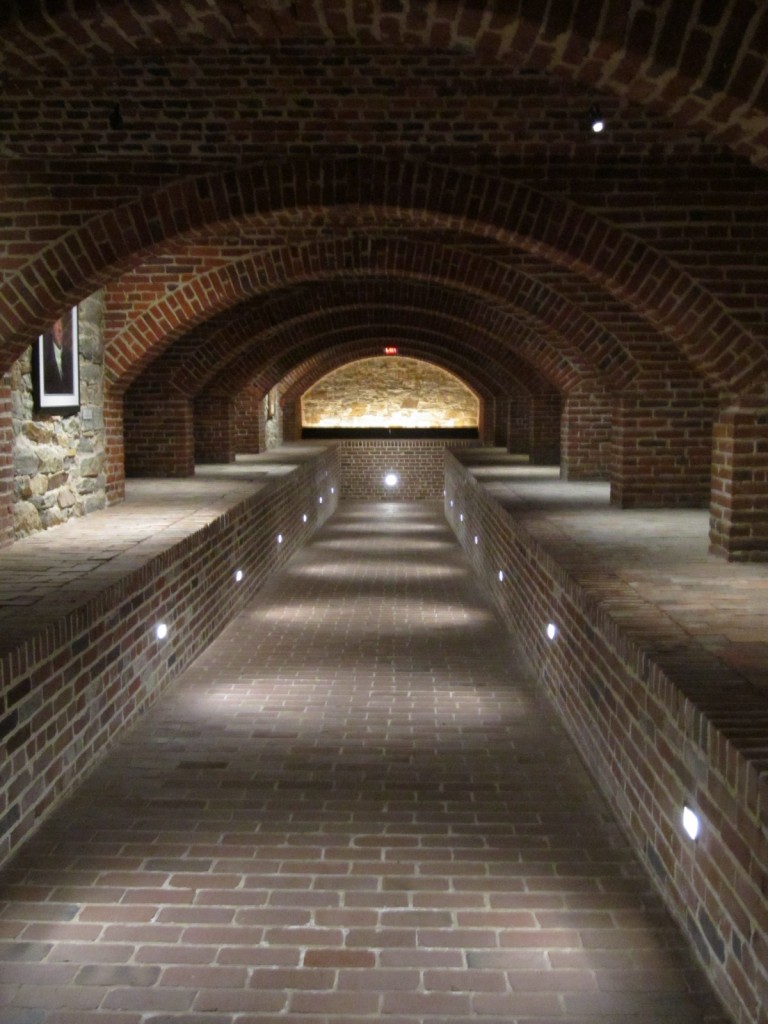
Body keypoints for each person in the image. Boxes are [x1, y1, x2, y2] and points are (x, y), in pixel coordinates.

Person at [41, 316, 74, 395]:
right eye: (57, 324)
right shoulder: (45, 356)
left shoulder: (69, 355)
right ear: (51, 330)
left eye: (61, 324)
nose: (60, 329)